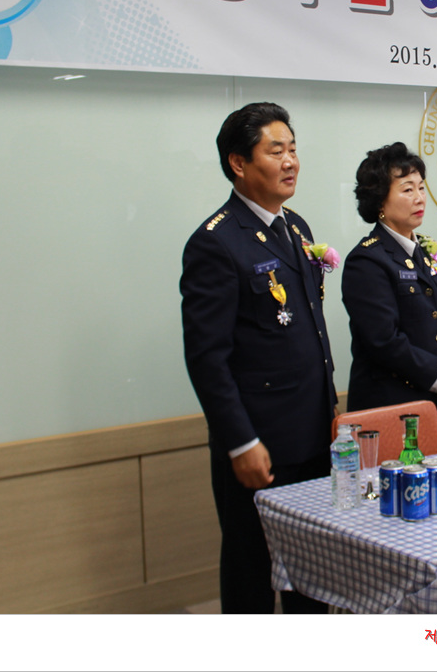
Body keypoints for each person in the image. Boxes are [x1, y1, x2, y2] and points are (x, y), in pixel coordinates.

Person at [180, 102, 336, 614]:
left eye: (293, 149)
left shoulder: (297, 227)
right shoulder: (217, 243)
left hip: (313, 435)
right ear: (239, 163)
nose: (290, 161)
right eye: (275, 151)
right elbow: (208, 358)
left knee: (312, 573)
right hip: (260, 444)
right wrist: (241, 441)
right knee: (252, 573)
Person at [340, 142, 437, 450]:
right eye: (407, 190)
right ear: (380, 200)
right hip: (391, 408)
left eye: (421, 187)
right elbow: (384, 341)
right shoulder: (367, 260)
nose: (419, 198)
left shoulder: (427, 252)